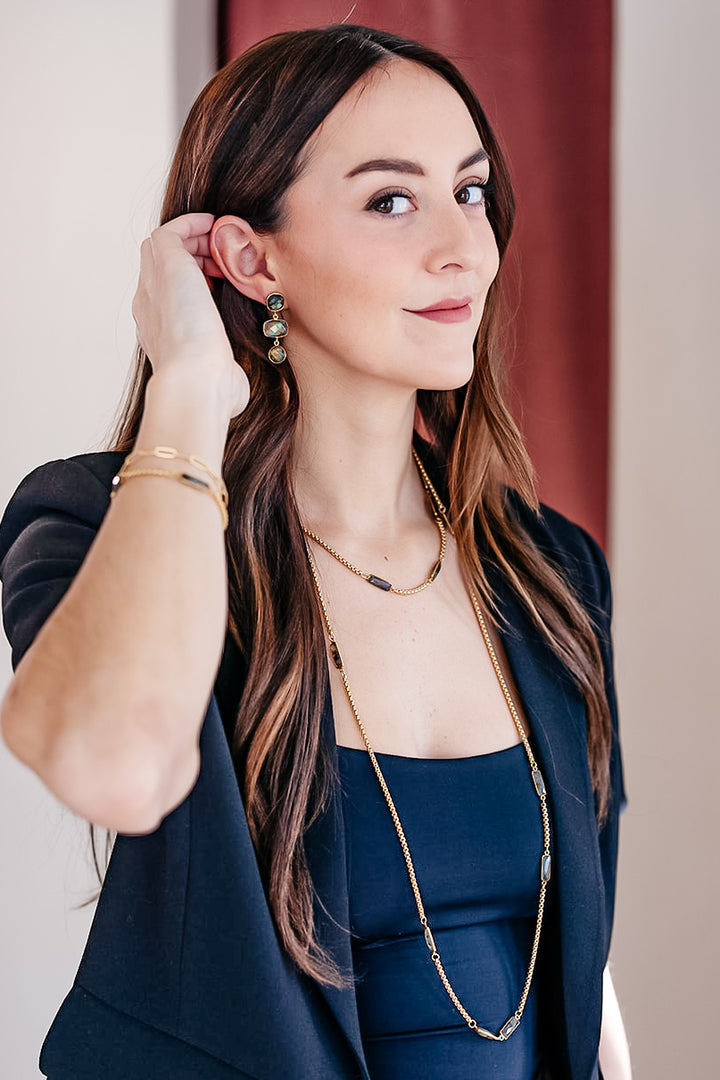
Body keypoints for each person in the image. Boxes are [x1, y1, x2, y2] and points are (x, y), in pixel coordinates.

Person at [0, 24, 630, 1080]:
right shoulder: (102, 522)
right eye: (393, 200)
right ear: (253, 257)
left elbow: (577, 964)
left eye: (471, 192)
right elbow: (115, 764)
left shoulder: (549, 569)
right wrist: (191, 386)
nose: (464, 248)